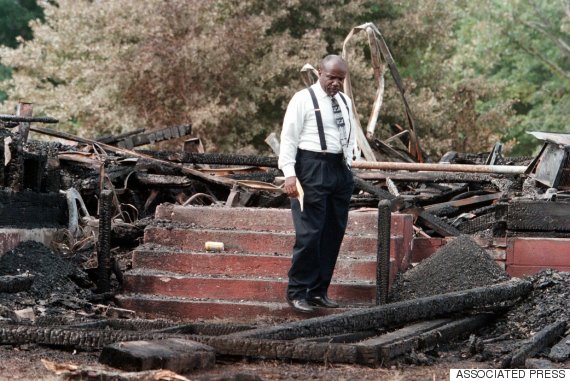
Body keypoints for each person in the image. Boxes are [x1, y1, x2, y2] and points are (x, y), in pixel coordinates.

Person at [278, 55, 356, 313]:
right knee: (310, 233)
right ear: (320, 73)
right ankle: (297, 292)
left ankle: (318, 291)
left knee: (333, 232)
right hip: (311, 167)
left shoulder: (344, 101)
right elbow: (288, 138)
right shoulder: (303, 99)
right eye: (331, 77)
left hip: (339, 169)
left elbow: (349, 132)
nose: (335, 83)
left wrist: (350, 162)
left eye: (340, 79)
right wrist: (290, 174)